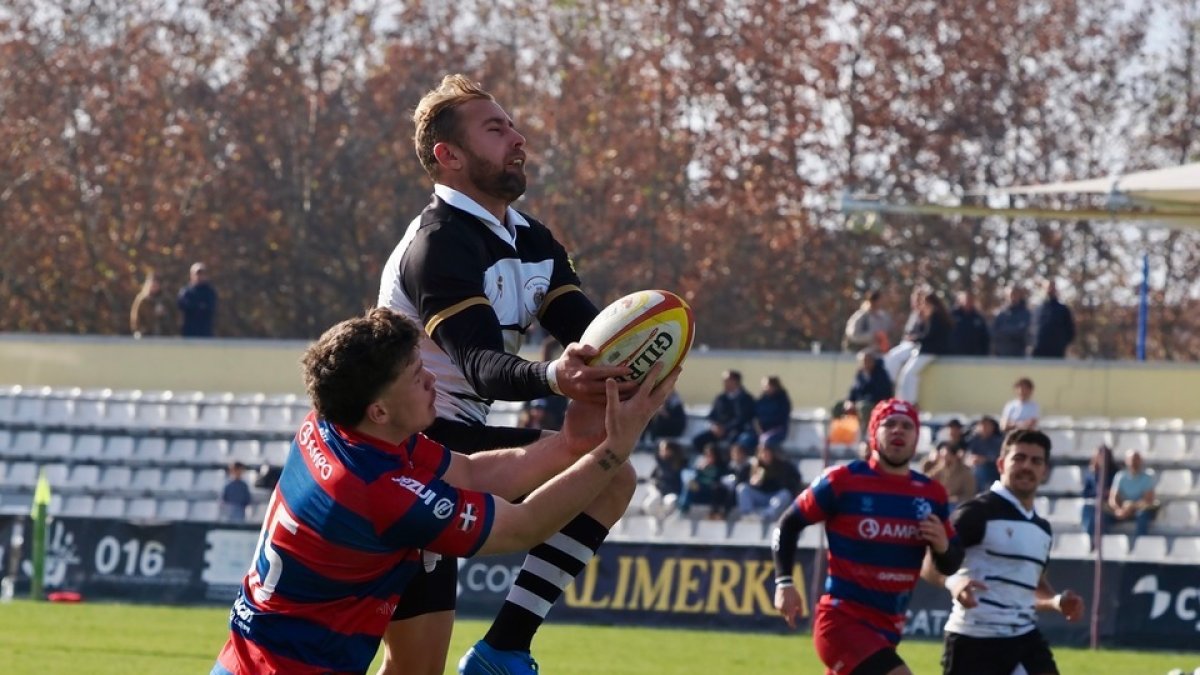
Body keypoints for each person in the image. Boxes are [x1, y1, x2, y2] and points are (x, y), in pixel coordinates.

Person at [210, 307, 678, 675]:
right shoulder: (379, 490)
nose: (432, 379)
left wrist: (571, 444)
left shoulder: (337, 428)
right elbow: (523, 528)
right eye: (417, 376)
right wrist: (615, 449)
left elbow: (472, 474)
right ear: (378, 410)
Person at [376, 74, 640, 675]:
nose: (517, 138)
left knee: (612, 477)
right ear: (450, 156)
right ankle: (503, 649)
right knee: (412, 666)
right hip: (403, 450)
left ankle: (505, 648)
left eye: (513, 125)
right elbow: (479, 364)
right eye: (496, 129)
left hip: (453, 442)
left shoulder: (533, 239)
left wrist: (641, 358)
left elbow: (589, 333)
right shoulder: (437, 243)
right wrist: (555, 378)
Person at [773, 399, 963, 675]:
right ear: (874, 432)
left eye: (907, 426)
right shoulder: (841, 481)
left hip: (888, 628)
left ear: (917, 437)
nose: (898, 431)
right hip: (841, 621)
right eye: (890, 424)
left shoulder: (931, 494)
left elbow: (950, 564)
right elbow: (788, 524)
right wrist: (784, 583)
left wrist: (942, 546)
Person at [920, 429, 1085, 675]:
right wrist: (954, 582)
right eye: (1019, 458)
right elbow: (929, 566)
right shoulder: (976, 512)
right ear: (1000, 464)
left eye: (1036, 461)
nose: (1027, 466)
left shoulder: (1042, 529)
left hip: (1024, 638)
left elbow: (1032, 585)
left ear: (1045, 471)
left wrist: (1056, 601)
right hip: (973, 640)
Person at [893, 290, 953, 404]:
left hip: (930, 351)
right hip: (927, 350)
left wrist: (915, 338)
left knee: (908, 373)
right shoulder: (933, 316)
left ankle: (909, 402)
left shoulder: (936, 316)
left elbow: (930, 335)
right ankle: (906, 400)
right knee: (908, 374)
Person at [690, 369, 756, 455]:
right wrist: (714, 426)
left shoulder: (746, 398)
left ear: (735, 381)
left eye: (727, 380)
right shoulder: (720, 398)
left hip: (735, 431)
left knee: (732, 444)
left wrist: (725, 428)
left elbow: (742, 418)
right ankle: (709, 463)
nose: (724, 383)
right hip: (717, 431)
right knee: (698, 441)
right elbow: (712, 415)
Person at [735, 441, 802, 521]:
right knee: (742, 488)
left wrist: (781, 482)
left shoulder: (784, 466)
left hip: (776, 496)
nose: (765, 455)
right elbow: (740, 482)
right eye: (763, 453)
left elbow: (795, 480)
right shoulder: (751, 467)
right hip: (759, 496)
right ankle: (748, 515)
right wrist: (751, 482)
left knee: (785, 494)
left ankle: (767, 515)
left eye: (767, 453)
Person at [1109, 449, 1159, 541]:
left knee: (1143, 515)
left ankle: (1141, 543)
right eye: (1132, 460)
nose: (1134, 463)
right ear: (1126, 461)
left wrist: (1132, 506)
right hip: (1123, 509)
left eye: (1136, 460)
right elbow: (1113, 498)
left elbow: (1148, 500)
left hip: (1139, 509)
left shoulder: (1147, 477)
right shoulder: (1120, 476)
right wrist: (1118, 510)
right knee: (1103, 517)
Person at [845, 349, 894, 441]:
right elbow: (854, 390)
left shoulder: (881, 374)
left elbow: (882, 393)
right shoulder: (860, 374)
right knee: (838, 408)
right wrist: (849, 401)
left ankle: (865, 437)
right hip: (859, 402)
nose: (865, 363)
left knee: (864, 407)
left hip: (875, 403)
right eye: (863, 361)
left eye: (867, 360)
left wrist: (860, 402)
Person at [1080, 444, 1118, 548]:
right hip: (1094, 506)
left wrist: (1108, 493)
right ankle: (1089, 542)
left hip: (1109, 508)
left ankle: (1100, 545)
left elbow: (1117, 493)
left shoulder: (1115, 474)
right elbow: (1085, 493)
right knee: (1088, 511)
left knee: (1100, 517)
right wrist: (1098, 494)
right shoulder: (1091, 474)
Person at [1030, 279, 1076, 358]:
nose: (1050, 290)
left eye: (1052, 288)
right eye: (1048, 288)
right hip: (1038, 351)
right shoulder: (1037, 309)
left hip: (1056, 352)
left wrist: (1061, 344)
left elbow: (1070, 331)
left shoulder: (1063, 309)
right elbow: (1031, 328)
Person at [642, 440, 686, 519]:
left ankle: (662, 518)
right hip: (659, 491)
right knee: (650, 503)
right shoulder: (659, 462)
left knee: (671, 502)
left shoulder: (680, 463)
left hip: (672, 492)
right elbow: (652, 477)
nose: (661, 452)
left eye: (664, 449)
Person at [926, 441, 977, 508]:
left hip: (957, 506)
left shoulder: (965, 473)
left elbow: (969, 495)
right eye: (942, 456)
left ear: (954, 456)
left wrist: (955, 499)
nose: (943, 459)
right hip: (941, 502)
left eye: (946, 456)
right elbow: (926, 480)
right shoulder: (938, 470)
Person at [843, 289, 893, 354]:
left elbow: (887, 333)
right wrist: (872, 337)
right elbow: (852, 335)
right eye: (881, 300)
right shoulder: (861, 316)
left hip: (878, 352)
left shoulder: (884, 317)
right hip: (859, 351)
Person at [178, 261, 217, 337]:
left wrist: (194, 306)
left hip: (205, 331)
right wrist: (198, 306)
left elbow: (210, 308)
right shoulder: (186, 292)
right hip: (188, 332)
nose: (199, 276)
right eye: (197, 274)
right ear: (191, 275)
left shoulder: (210, 292)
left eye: (202, 274)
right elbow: (182, 306)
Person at [991, 284, 1031, 357]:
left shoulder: (1026, 314)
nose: (1013, 297)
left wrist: (1006, 331)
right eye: (1011, 294)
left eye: (1016, 294)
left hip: (1019, 355)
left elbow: (1023, 332)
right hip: (1002, 355)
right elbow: (996, 332)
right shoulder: (1001, 314)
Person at [965, 416, 1003, 491]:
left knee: (981, 470)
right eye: (982, 425)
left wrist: (984, 459)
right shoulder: (975, 439)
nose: (984, 428)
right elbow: (969, 454)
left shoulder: (997, 441)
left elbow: (995, 456)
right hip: (974, 468)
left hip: (992, 470)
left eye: (987, 425)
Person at [753, 375, 792, 449]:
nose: (765, 388)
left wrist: (767, 426)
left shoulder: (782, 400)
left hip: (778, 430)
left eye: (767, 386)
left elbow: (782, 416)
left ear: (774, 386)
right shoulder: (761, 399)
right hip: (761, 430)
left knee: (766, 440)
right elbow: (756, 414)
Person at [948, 290, 990, 356]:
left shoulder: (978, 317)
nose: (968, 302)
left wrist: (984, 353)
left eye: (970, 299)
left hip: (975, 355)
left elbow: (985, 337)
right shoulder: (952, 314)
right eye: (966, 299)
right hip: (955, 354)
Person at [130, 271, 171, 338]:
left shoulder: (166, 300)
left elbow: (174, 318)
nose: (154, 287)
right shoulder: (142, 300)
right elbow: (135, 320)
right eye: (152, 285)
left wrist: (164, 314)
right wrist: (140, 331)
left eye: (156, 285)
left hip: (164, 335)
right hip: (146, 335)